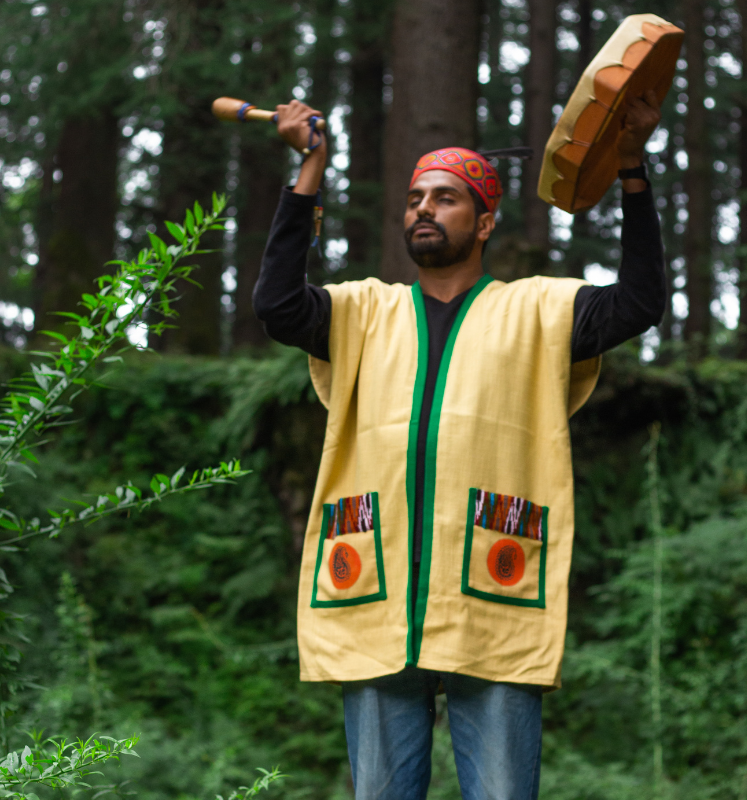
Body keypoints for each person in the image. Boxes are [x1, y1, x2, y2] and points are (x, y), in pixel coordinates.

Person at [253, 93, 665, 800]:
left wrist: (630, 168)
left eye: (445, 199)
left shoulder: (536, 309)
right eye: (415, 197)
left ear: (484, 221)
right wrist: (310, 169)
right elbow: (277, 305)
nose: (423, 209)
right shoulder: (364, 311)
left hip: (493, 592)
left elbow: (638, 302)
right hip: (375, 596)